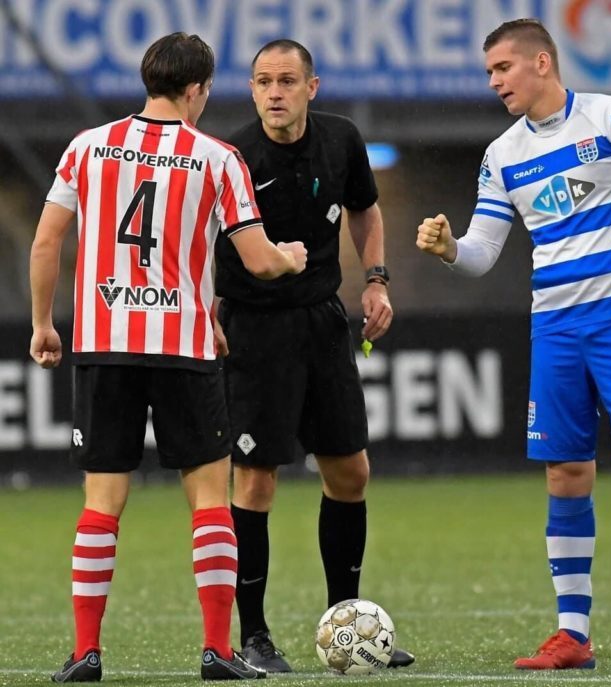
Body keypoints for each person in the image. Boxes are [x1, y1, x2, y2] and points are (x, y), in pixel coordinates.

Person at [417, 19, 611, 672]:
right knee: (565, 472)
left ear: (542, 62)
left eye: (502, 68)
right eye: (489, 71)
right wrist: (448, 251)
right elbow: (484, 252)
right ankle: (572, 634)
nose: (493, 81)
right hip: (553, 325)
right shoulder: (501, 155)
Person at [30, 32, 307, 683]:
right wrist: (292, 255)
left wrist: (44, 324)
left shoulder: (88, 146)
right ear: (196, 90)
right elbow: (261, 259)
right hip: (183, 346)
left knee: (102, 501)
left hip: (104, 343)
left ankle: (86, 653)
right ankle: (217, 649)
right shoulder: (217, 157)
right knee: (210, 498)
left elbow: (46, 242)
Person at [214, 39, 413, 673]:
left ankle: (345, 623)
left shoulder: (343, 139)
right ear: (251, 91)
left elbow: (366, 211)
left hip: (323, 323)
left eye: (287, 81)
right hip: (253, 326)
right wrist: (207, 311)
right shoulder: (232, 156)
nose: (275, 92)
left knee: (351, 474)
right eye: (264, 81)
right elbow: (199, 240)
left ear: (312, 87)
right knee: (256, 479)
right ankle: (254, 637)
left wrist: (376, 279)